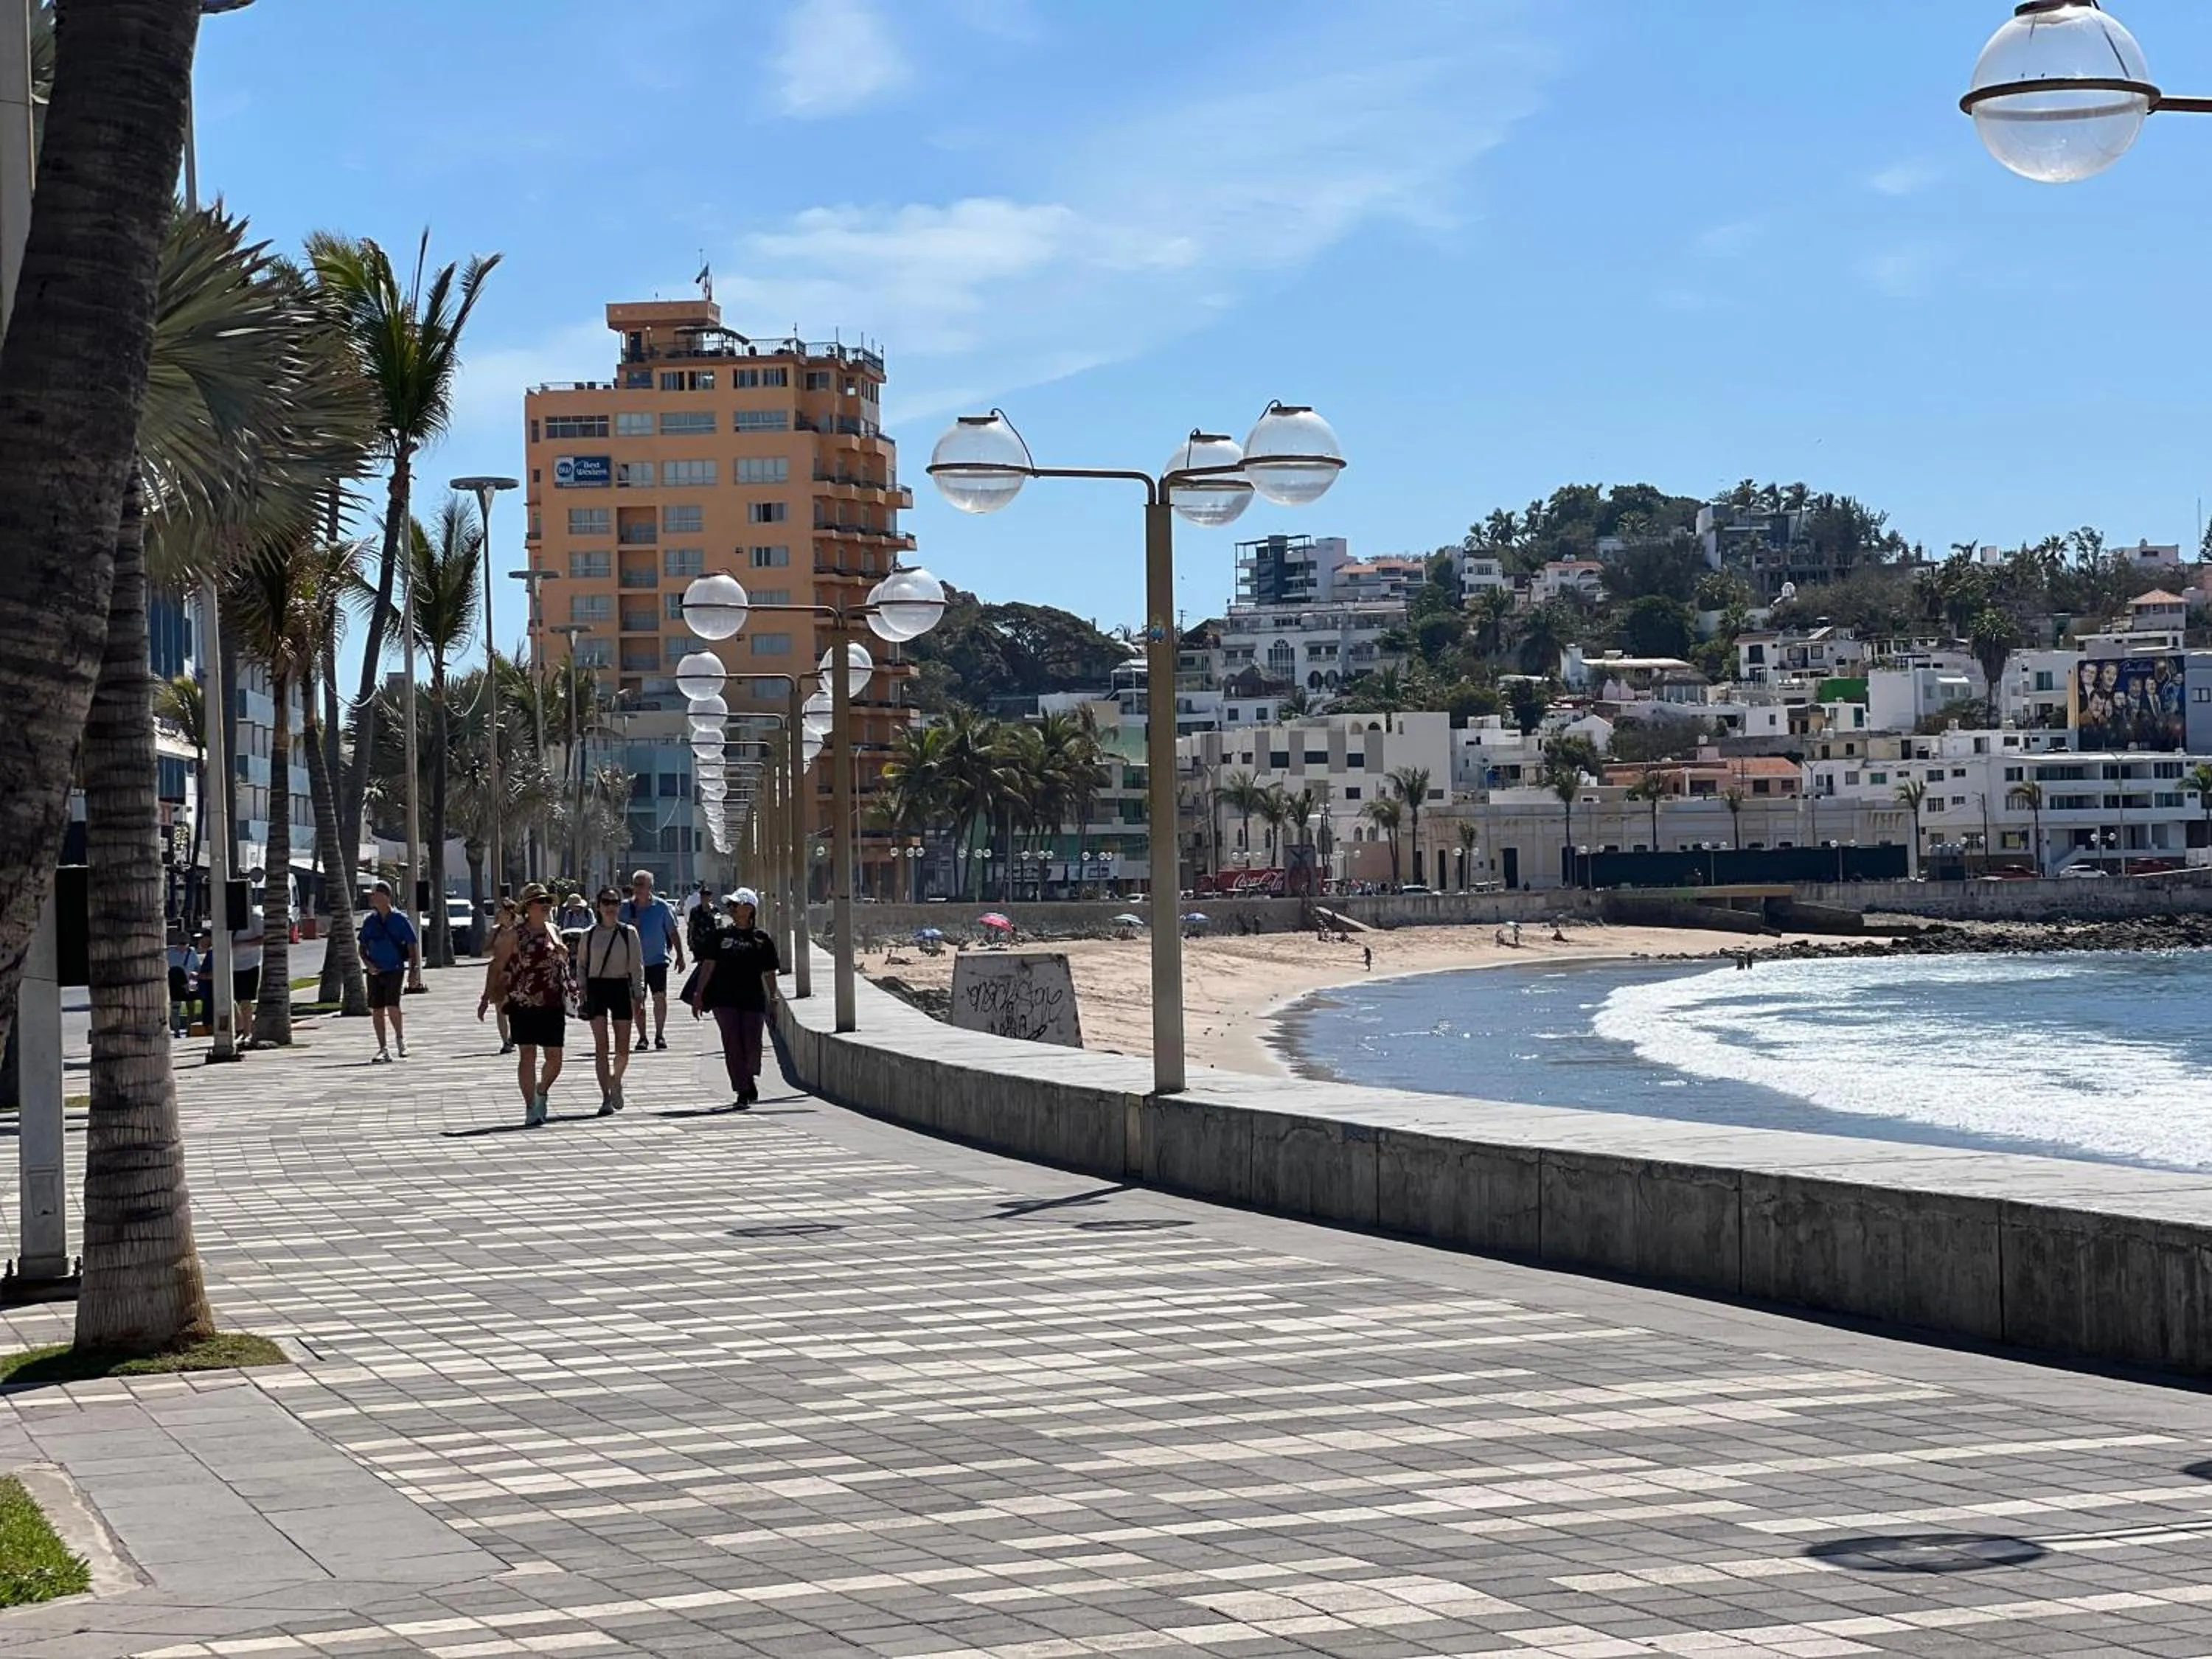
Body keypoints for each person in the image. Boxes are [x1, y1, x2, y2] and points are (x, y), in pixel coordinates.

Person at [480, 883, 568, 1127]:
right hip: (522, 1001)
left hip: (552, 1000)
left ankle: (542, 1090)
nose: (547, 906)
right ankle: (531, 1106)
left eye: (548, 902)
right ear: (529, 907)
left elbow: (562, 959)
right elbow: (497, 966)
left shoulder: (553, 930)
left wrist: (563, 952)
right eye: (541, 902)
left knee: (555, 1058)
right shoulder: (513, 935)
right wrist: (486, 997)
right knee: (527, 1054)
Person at [692, 888, 780, 1107]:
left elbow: (769, 972)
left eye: (735, 904)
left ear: (749, 909)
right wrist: (699, 994)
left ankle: (748, 1079)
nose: (730, 908)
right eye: (729, 904)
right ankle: (742, 1089)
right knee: (732, 1043)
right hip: (724, 998)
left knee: (752, 1045)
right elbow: (709, 964)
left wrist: (774, 999)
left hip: (753, 999)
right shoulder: (721, 936)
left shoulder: (762, 939)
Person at [579, 887, 644, 1116]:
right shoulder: (588, 934)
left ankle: (616, 1079)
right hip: (597, 987)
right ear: (598, 906)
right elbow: (582, 965)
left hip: (620, 987)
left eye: (615, 902)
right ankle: (606, 1097)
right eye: (606, 902)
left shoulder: (629, 933)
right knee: (601, 1046)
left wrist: (639, 994)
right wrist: (582, 988)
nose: (610, 906)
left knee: (623, 1048)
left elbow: (637, 967)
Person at [619, 869, 685, 1053]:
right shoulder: (624, 909)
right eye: (636, 884)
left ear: (650, 887)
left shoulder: (662, 907)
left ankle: (660, 1034)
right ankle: (642, 1037)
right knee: (637, 1001)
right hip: (633, 963)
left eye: (642, 884)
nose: (639, 888)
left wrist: (680, 955)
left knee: (659, 997)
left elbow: (672, 932)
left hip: (657, 960)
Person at [358, 881, 421, 1064]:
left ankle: (400, 1040)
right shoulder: (370, 921)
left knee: (393, 1005)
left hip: (394, 969)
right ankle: (383, 1048)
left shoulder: (400, 920)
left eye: (374, 894)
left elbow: (412, 946)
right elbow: (362, 948)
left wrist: (414, 971)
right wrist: (368, 964)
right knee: (377, 1009)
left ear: (385, 896)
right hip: (375, 971)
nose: (371, 898)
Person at [486, 897, 520, 1052]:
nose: (500, 914)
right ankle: (505, 1041)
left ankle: (514, 1035)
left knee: (516, 1007)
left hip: (515, 972)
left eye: (503, 911)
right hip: (498, 971)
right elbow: (484, 951)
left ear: (510, 913)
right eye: (499, 911)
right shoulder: (495, 931)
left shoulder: (520, 931)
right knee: (500, 1007)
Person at [164, 926, 199, 1038]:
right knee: (175, 1007)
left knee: (191, 1006)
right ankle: (176, 1030)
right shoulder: (170, 952)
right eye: (181, 943)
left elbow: (196, 968)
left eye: (185, 943)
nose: (183, 946)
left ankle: (190, 1028)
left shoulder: (192, 952)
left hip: (191, 980)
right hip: (175, 982)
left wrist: (194, 984)